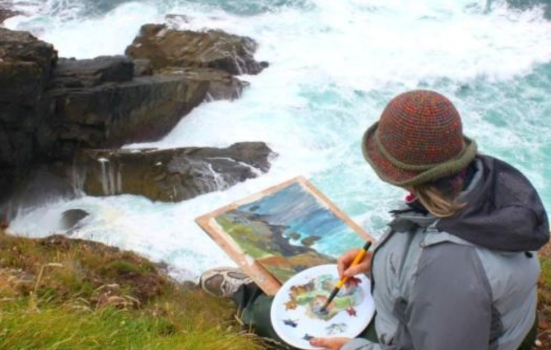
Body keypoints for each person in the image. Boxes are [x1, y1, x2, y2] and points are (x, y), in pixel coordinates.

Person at [200, 90, 549, 350]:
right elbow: (434, 256)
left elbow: (450, 282)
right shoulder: (480, 183)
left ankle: (247, 298)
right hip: (500, 329)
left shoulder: (450, 266)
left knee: (273, 317)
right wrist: (376, 262)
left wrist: (353, 348)